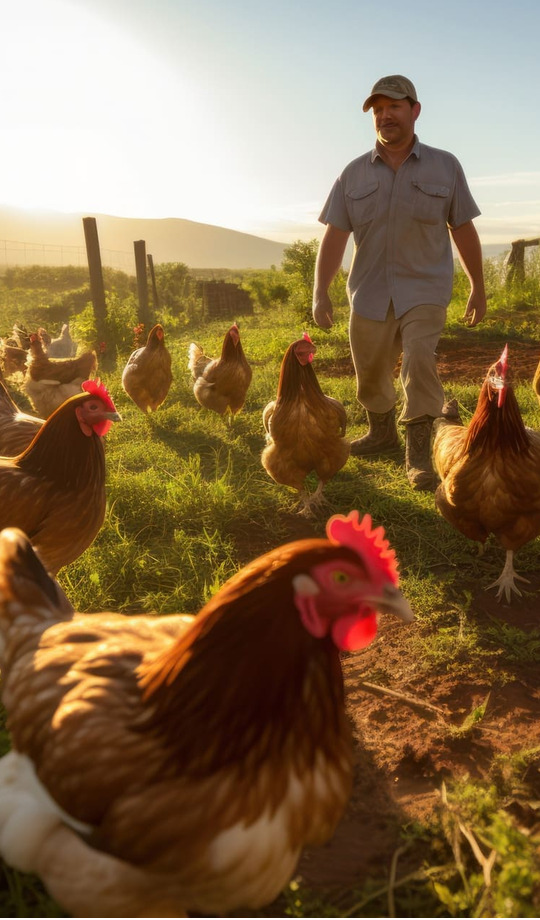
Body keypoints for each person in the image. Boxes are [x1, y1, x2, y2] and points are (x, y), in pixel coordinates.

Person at [312, 74, 487, 491]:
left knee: (419, 359)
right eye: (378, 110)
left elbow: (463, 228)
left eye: (393, 106)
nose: (385, 116)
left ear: (415, 110)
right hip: (369, 290)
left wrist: (477, 286)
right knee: (370, 369)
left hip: (425, 287)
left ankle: (419, 449)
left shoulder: (445, 166)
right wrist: (320, 291)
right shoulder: (353, 173)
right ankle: (381, 433)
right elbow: (335, 236)